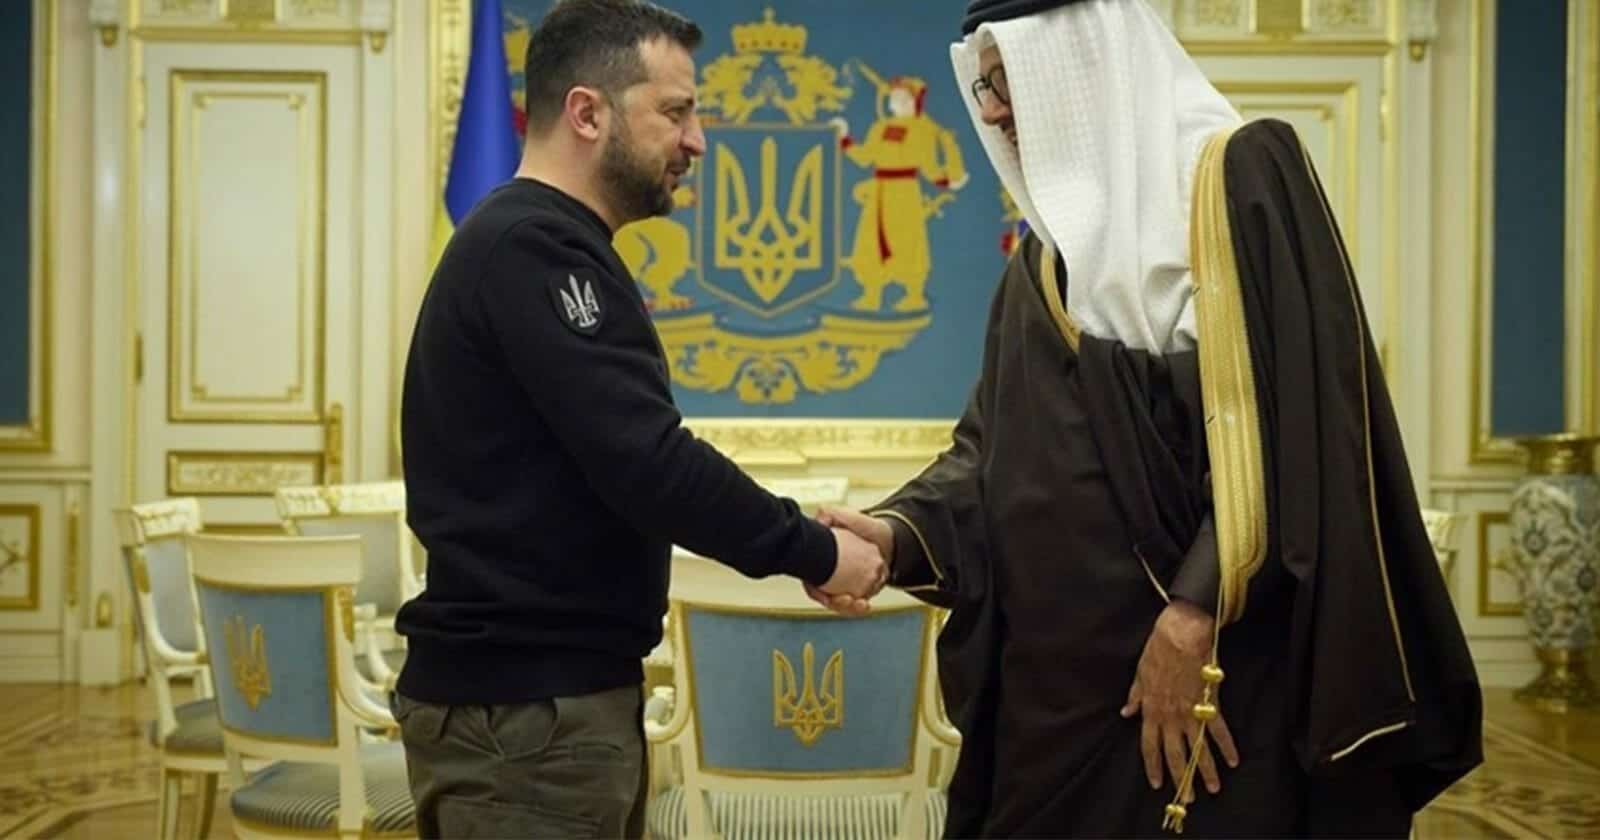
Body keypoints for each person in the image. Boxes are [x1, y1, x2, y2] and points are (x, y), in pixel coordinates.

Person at [812, 0, 1483, 836]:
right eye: (982, 87)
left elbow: (1301, 433)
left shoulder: (1241, 181)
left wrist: (1192, 612)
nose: (992, 112)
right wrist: (894, 535)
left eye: (1007, 79)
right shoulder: (1043, 264)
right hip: (1051, 703)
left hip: (1220, 683)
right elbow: (988, 462)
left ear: (1083, 63)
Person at [392, 1, 887, 836]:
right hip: (527, 720)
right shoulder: (533, 250)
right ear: (588, 113)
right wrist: (817, 551)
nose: (697, 141)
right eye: (676, 112)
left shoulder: (541, 244)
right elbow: (649, 463)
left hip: (542, 710)